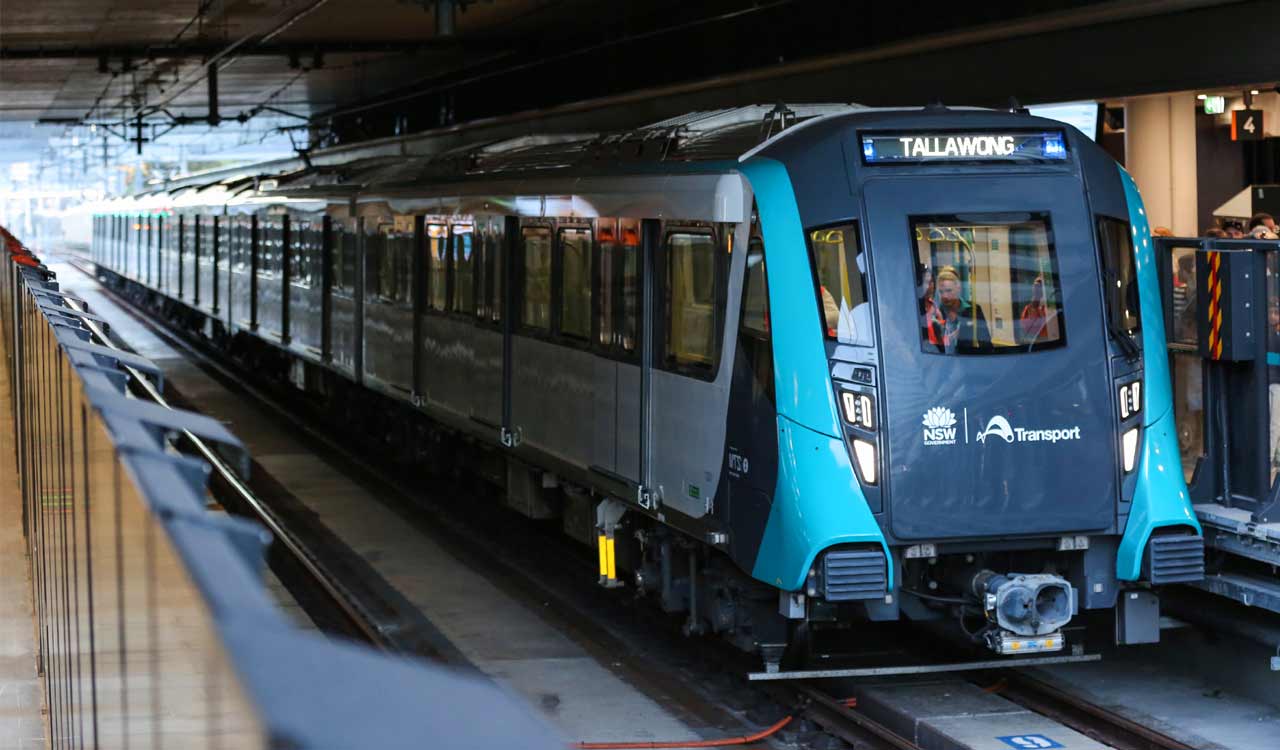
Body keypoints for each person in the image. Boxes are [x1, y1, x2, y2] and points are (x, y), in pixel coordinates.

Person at [932, 266, 992, 353]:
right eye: (941, 292)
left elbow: (986, 346)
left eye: (949, 291)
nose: (945, 296)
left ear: (958, 289)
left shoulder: (973, 311)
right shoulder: (936, 314)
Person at [1017, 275, 1059, 344]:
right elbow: (1027, 328)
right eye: (1035, 286)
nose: (1036, 287)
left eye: (1040, 286)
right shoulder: (1029, 308)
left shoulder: (1051, 307)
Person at [918, 265, 944, 347]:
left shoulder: (934, 306)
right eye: (926, 282)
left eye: (932, 282)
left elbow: (943, 339)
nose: (930, 286)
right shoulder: (914, 305)